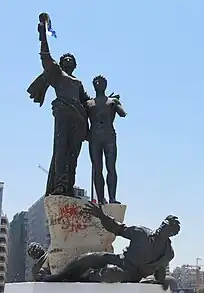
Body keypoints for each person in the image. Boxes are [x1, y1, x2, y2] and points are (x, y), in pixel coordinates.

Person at [44, 202, 180, 291]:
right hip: (121, 259)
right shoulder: (141, 233)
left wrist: (161, 283)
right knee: (90, 258)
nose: (161, 228)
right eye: (162, 225)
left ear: (171, 234)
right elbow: (118, 228)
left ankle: (81, 281)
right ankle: (58, 276)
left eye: (166, 228)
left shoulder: (168, 253)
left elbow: (160, 269)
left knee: (111, 272)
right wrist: (102, 216)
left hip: (131, 275)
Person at [27, 13, 89, 196]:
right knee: (61, 150)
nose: (68, 60)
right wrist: (43, 36)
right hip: (63, 114)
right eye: (65, 59)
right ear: (61, 63)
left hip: (79, 120)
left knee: (73, 155)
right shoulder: (57, 74)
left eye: (71, 59)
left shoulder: (78, 83)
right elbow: (45, 56)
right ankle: (60, 185)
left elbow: (87, 101)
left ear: (75, 64)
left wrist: (104, 101)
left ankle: (69, 185)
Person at [86, 75, 127, 204]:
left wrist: (116, 103)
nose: (98, 84)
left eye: (101, 82)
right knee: (97, 168)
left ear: (105, 85)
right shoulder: (88, 103)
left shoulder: (113, 101)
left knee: (111, 167)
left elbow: (122, 113)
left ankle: (112, 197)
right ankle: (100, 199)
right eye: (96, 82)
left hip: (109, 136)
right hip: (94, 137)